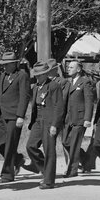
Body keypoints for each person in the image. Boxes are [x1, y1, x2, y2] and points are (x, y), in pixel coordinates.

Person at [0, 51, 30, 182]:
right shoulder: (3, 75)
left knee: (10, 145)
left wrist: (20, 116)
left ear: (14, 64)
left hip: (14, 115)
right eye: (4, 64)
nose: (5, 67)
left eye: (7, 64)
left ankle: (7, 174)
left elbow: (24, 97)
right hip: (1, 114)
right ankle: (17, 159)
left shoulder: (22, 76)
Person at [26, 59, 65, 189]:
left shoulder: (54, 86)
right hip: (38, 120)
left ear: (45, 74)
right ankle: (44, 168)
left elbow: (59, 107)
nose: (37, 77)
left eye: (40, 75)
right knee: (30, 146)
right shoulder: (36, 87)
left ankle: (49, 181)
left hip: (49, 121)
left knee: (49, 150)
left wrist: (55, 124)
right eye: (36, 75)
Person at [61, 60, 95, 178]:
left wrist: (87, 119)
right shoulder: (69, 83)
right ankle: (86, 161)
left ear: (79, 69)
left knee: (75, 145)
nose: (68, 69)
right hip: (68, 118)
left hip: (80, 118)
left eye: (71, 67)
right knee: (65, 142)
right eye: (68, 67)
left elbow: (89, 101)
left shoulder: (85, 82)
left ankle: (72, 170)